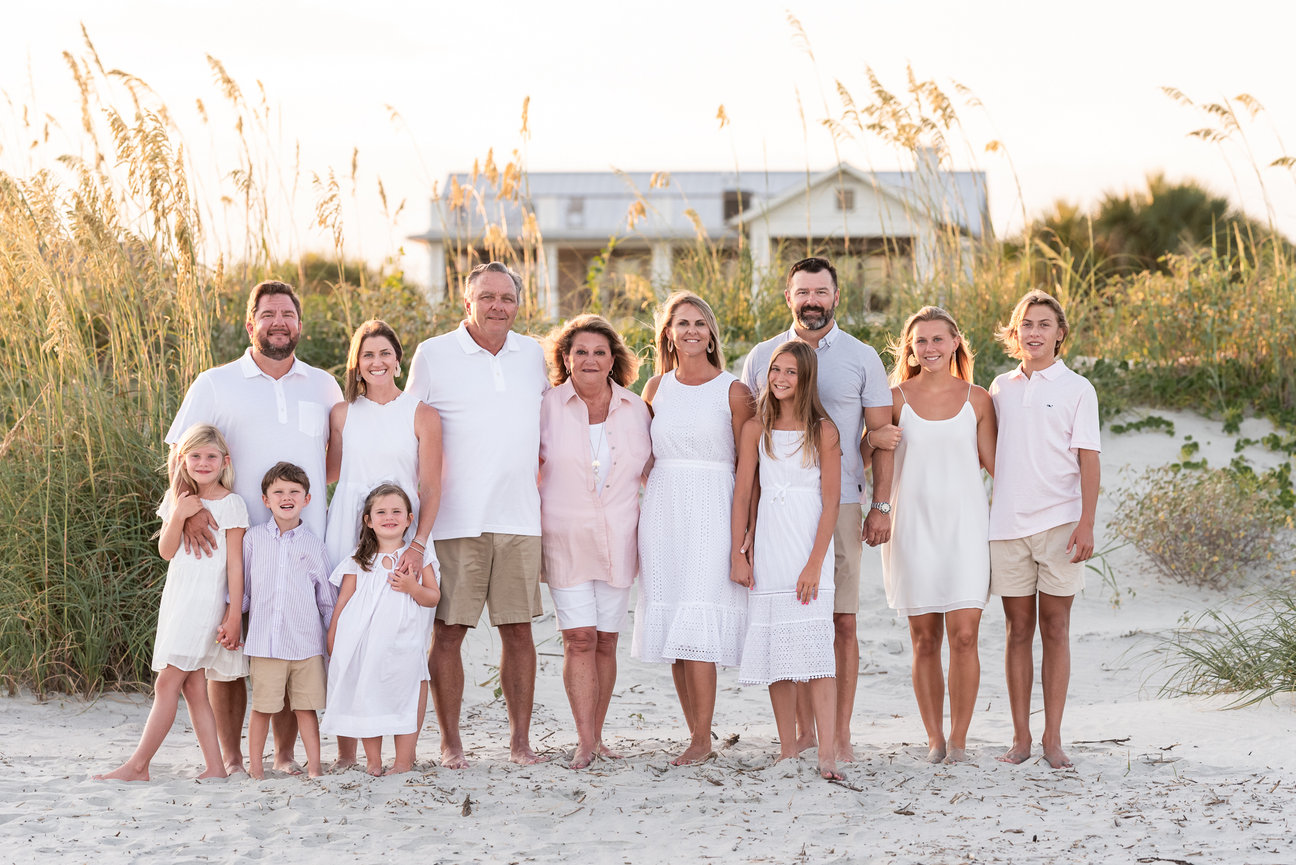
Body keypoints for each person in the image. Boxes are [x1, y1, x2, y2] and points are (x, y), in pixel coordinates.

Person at [166, 280, 342, 774]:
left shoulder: (323, 385)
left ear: (300, 324)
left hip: (299, 542)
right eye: (268, 314)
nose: (279, 323)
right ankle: (231, 755)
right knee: (227, 648)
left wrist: (298, 501)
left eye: (288, 314)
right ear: (250, 324)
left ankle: (283, 755)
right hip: (227, 541)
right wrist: (189, 510)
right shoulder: (215, 383)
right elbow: (180, 454)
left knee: (291, 644)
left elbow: (332, 462)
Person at [740, 256, 897, 762]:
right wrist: (747, 529)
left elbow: (882, 437)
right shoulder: (762, 357)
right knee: (790, 618)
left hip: (841, 505)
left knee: (840, 621)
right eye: (803, 292)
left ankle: (839, 734)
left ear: (836, 297)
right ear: (789, 297)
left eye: (821, 292)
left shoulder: (861, 357)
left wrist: (881, 505)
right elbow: (750, 445)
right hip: (777, 517)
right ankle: (801, 735)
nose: (812, 301)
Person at [406, 261, 550, 768]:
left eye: (506, 298)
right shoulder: (433, 354)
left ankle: (520, 743)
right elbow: (408, 428)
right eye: (486, 297)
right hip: (455, 519)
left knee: (519, 632)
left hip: (520, 518)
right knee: (449, 632)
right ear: (467, 303)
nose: (497, 306)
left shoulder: (532, 355)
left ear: (518, 305)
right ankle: (451, 743)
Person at [632, 290, 755, 766]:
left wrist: (745, 534)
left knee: (698, 623)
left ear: (711, 333)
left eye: (699, 323)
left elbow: (749, 469)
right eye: (682, 323)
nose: (691, 331)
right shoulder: (655, 387)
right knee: (676, 629)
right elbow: (641, 455)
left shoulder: (733, 390)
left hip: (714, 510)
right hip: (663, 512)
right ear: (668, 333)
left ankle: (702, 741)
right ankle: (695, 735)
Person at [871, 307, 996, 764]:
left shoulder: (978, 400)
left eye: (938, 339)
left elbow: (997, 467)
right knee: (925, 640)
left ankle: (959, 741)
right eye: (920, 341)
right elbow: (871, 456)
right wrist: (872, 442)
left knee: (964, 636)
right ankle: (934, 739)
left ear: (955, 342)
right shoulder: (894, 399)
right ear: (910, 348)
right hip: (912, 527)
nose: (930, 348)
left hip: (966, 529)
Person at [95, 424, 247, 781]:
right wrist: (180, 513)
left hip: (205, 604)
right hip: (179, 599)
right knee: (193, 686)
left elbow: (236, 565)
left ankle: (138, 766)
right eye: (195, 456)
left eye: (211, 457)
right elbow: (166, 551)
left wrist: (234, 614)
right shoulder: (177, 499)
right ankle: (215, 768)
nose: (203, 463)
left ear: (225, 462)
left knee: (166, 683)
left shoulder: (232, 504)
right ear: (182, 459)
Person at [989, 289, 1100, 770]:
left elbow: (1089, 460)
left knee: (1055, 629)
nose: (1034, 332)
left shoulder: (1078, 388)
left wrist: (1086, 522)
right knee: (1017, 630)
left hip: (1061, 525)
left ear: (1060, 333)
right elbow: (989, 450)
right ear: (1015, 333)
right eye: (1026, 324)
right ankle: (1021, 738)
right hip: (1007, 526)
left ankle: (1053, 738)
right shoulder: (1000, 387)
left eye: (1044, 324)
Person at [325, 320, 442, 768]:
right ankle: (348, 753)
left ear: (398, 359)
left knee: (404, 643)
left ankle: (404, 754)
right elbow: (331, 472)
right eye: (368, 354)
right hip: (350, 529)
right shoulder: (342, 413)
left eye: (385, 353)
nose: (377, 362)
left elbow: (431, 486)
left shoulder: (421, 413)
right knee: (349, 636)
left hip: (401, 532)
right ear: (356, 363)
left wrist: (418, 543)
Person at [539, 315, 652, 769]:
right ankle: (584, 741)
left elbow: (653, 472)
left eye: (599, 352)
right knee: (579, 639)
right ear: (566, 359)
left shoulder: (636, 409)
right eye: (580, 352)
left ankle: (598, 736)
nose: (590, 359)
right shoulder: (546, 406)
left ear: (613, 359)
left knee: (606, 640)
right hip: (565, 538)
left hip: (619, 537)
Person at [730, 341, 843, 780]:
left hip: (808, 546)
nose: (780, 378)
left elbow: (831, 504)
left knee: (817, 654)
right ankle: (787, 748)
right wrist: (739, 552)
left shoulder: (824, 431)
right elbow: (743, 493)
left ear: (806, 378)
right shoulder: (756, 429)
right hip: (770, 548)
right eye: (776, 369)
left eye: (791, 372)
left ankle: (827, 753)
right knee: (778, 651)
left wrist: (814, 563)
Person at [323, 484, 441, 776]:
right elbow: (344, 600)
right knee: (367, 697)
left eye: (396, 511)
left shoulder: (417, 559)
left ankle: (403, 762)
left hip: (404, 642)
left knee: (406, 696)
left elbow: (432, 597)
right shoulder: (359, 559)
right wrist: (333, 636)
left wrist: (412, 588)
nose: (389, 517)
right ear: (368, 520)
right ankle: (373, 761)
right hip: (363, 643)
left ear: (409, 519)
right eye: (381, 512)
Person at [242, 462, 335, 780]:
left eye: (294, 491)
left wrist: (333, 636)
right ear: (265, 500)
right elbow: (244, 590)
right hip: (265, 644)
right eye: (278, 491)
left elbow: (326, 599)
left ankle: (315, 768)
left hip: (306, 645)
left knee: (306, 708)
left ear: (307, 499)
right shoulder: (253, 539)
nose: (286, 497)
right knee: (262, 707)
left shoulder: (314, 545)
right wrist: (232, 620)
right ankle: (256, 768)